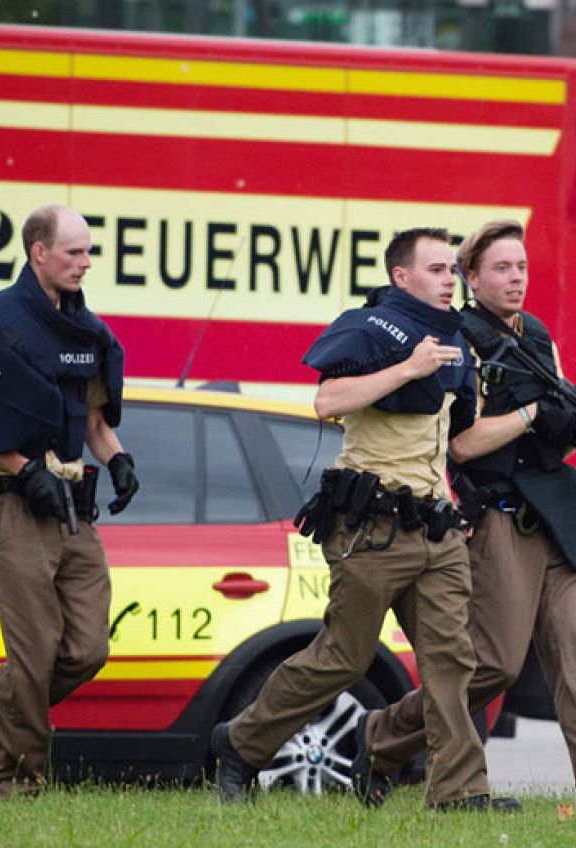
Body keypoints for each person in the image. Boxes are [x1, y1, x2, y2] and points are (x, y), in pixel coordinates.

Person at [354, 220, 576, 814]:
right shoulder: (460, 339)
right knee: (492, 663)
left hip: (558, 518)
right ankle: (382, 736)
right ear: (471, 279)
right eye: (501, 268)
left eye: (522, 267)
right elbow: (465, 444)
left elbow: (552, 417)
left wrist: (575, 430)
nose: (516, 278)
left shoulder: (537, 335)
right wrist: (532, 415)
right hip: (499, 518)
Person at [212, 228, 506, 811]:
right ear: (402, 276)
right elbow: (327, 401)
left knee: (453, 661)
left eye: (453, 269)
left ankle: (459, 792)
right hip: (372, 528)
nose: (451, 279)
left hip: (436, 529)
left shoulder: (459, 345)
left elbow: (457, 439)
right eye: (437, 269)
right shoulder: (369, 327)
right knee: (343, 657)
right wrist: (406, 368)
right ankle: (241, 745)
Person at [0, 204, 140, 800]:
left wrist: (118, 458)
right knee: (34, 654)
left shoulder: (87, 331)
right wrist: (23, 469)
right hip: (11, 508)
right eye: (74, 252)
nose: (85, 262)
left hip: (74, 509)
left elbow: (92, 421)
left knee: (86, 648)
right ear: (38, 253)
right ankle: (12, 783)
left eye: (88, 251)